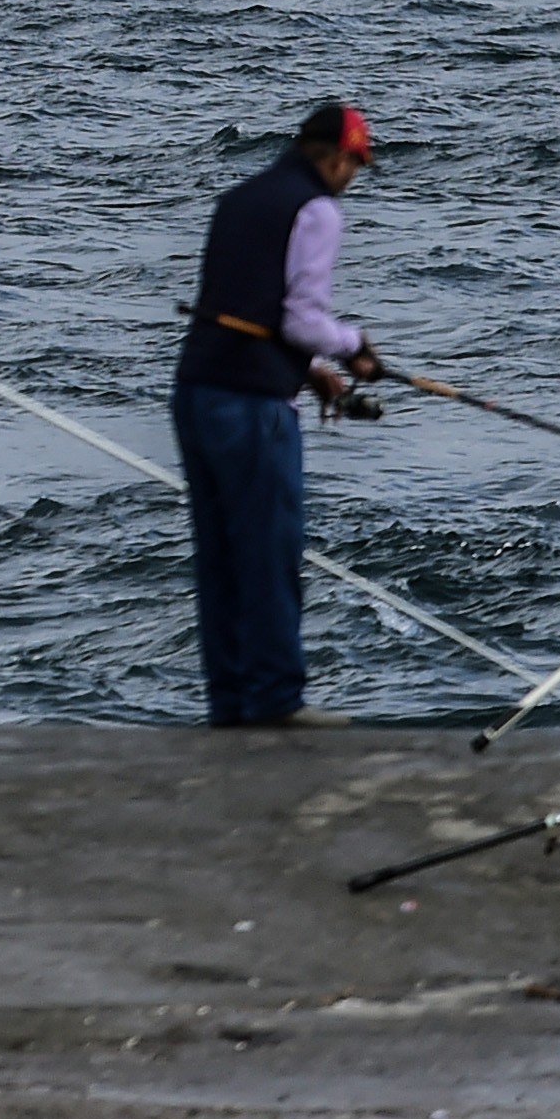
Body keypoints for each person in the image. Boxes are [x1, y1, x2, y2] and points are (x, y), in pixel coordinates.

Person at [169, 102, 391, 729]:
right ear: (338, 156)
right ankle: (274, 702)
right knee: (269, 551)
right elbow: (299, 318)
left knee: (219, 558)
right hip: (252, 409)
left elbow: (246, 309)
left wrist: (308, 372)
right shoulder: (317, 208)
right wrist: (354, 348)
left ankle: (231, 705)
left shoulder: (240, 198)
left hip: (197, 392)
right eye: (356, 164)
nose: (353, 177)